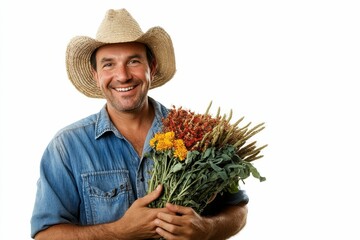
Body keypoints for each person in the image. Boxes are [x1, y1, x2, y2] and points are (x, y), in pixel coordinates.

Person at [30, 8, 249, 240]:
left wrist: (207, 228)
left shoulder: (199, 136)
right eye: (108, 65)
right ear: (95, 74)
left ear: (151, 68)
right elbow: (46, 234)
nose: (122, 76)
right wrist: (118, 231)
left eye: (133, 61)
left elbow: (238, 209)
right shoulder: (67, 146)